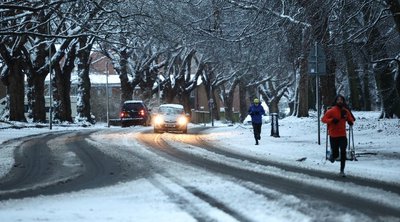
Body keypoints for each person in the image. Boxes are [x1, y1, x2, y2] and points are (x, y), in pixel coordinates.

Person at [321, 95, 355, 177]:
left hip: (342, 135)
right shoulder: (331, 111)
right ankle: (333, 156)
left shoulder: (345, 111)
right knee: (336, 154)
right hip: (333, 135)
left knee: (343, 152)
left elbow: (350, 119)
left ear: (343, 101)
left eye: (341, 100)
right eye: (338, 100)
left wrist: (350, 122)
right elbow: (323, 119)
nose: (340, 101)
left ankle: (342, 170)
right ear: (336, 101)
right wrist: (332, 120)